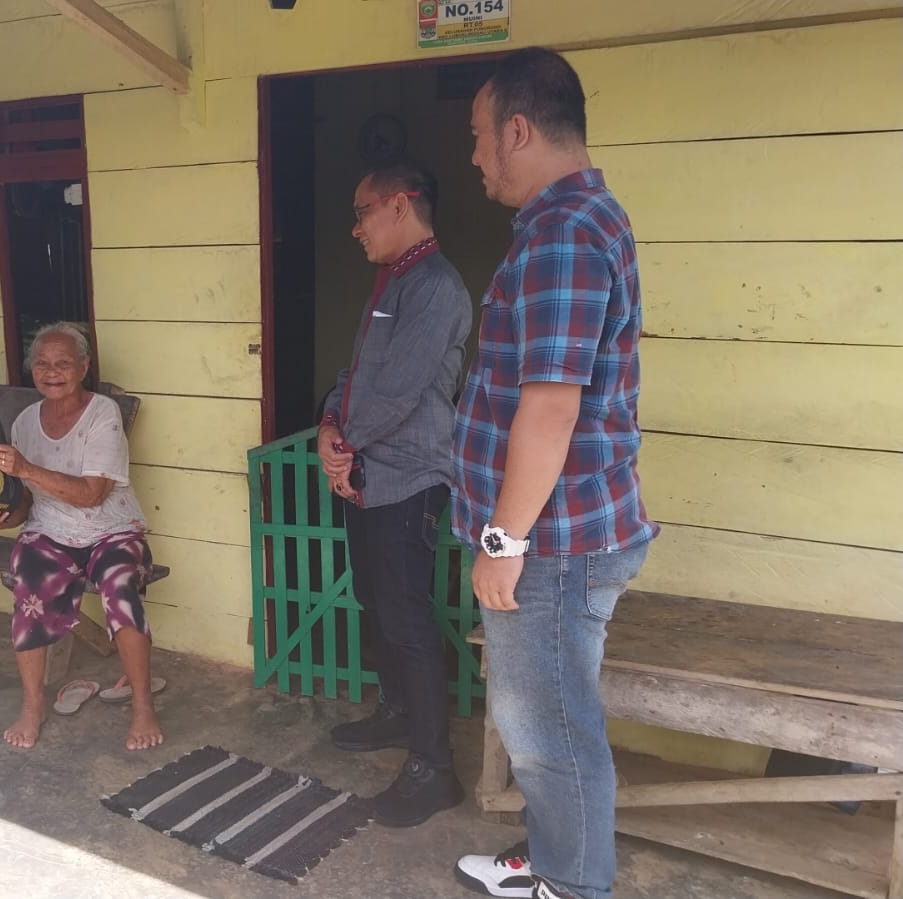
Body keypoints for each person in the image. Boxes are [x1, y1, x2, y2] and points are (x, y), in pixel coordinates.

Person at [450, 48, 658, 899]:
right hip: (562, 532)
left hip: (551, 543)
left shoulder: (564, 234)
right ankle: (549, 857)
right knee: (539, 720)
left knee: (550, 733)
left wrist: (502, 540)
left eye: (476, 136)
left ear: (518, 129)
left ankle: (570, 887)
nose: (472, 156)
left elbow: (549, 408)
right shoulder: (571, 221)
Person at [317, 159, 473, 828]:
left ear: (401, 204)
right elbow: (357, 376)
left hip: (407, 478)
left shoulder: (434, 288)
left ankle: (433, 767)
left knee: (406, 619)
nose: (354, 228)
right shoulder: (391, 281)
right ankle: (397, 711)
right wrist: (329, 422)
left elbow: (400, 389)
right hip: (368, 472)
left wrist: (342, 443)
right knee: (375, 600)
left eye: (360, 211)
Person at [0, 322, 162, 752]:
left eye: (63, 363)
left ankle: (143, 705)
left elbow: (93, 494)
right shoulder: (24, 422)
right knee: (29, 584)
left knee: (120, 587)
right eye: (42, 363)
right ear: (31, 370)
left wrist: (26, 469)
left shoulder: (102, 414)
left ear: (84, 367)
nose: (52, 371)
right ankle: (33, 704)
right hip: (50, 531)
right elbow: (23, 504)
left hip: (112, 530)